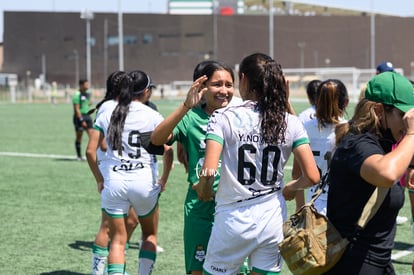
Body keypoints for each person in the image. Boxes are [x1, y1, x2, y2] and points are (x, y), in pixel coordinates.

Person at [194, 53, 320, 275]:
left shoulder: (223, 117)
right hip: (272, 220)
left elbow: (209, 170)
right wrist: (291, 187)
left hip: (232, 220)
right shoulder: (291, 122)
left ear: (243, 79)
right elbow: (312, 176)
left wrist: (204, 189)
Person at [325, 71, 414, 274]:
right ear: (379, 110)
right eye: (402, 115)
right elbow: (386, 174)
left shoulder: (386, 143)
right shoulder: (358, 144)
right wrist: (411, 134)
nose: (407, 122)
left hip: (377, 262)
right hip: (352, 263)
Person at [151, 60, 235, 275]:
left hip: (235, 206)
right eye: (217, 84)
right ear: (201, 87)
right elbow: (157, 139)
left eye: (229, 84)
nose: (224, 90)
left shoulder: (240, 115)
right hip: (200, 206)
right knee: (197, 270)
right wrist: (186, 105)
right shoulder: (191, 118)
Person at [87, 71, 170, 275]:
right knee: (149, 235)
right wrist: (164, 180)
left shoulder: (107, 112)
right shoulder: (153, 115)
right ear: (147, 91)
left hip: (113, 181)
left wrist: (99, 179)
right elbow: (168, 149)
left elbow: (90, 151)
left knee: (116, 240)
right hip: (144, 182)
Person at [292, 79, 349, 214]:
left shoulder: (305, 128)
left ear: (317, 101)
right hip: (341, 205)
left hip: (313, 203)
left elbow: (296, 174)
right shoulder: (350, 131)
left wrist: (300, 208)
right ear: (346, 102)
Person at [73, 79, 93, 160]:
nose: (88, 86)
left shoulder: (87, 94)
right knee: (79, 137)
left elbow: (86, 104)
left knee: (92, 136)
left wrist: (89, 103)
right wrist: (81, 120)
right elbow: (76, 109)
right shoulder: (77, 95)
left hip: (87, 117)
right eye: (86, 84)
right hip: (79, 117)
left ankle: (94, 154)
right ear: (81, 85)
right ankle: (79, 156)